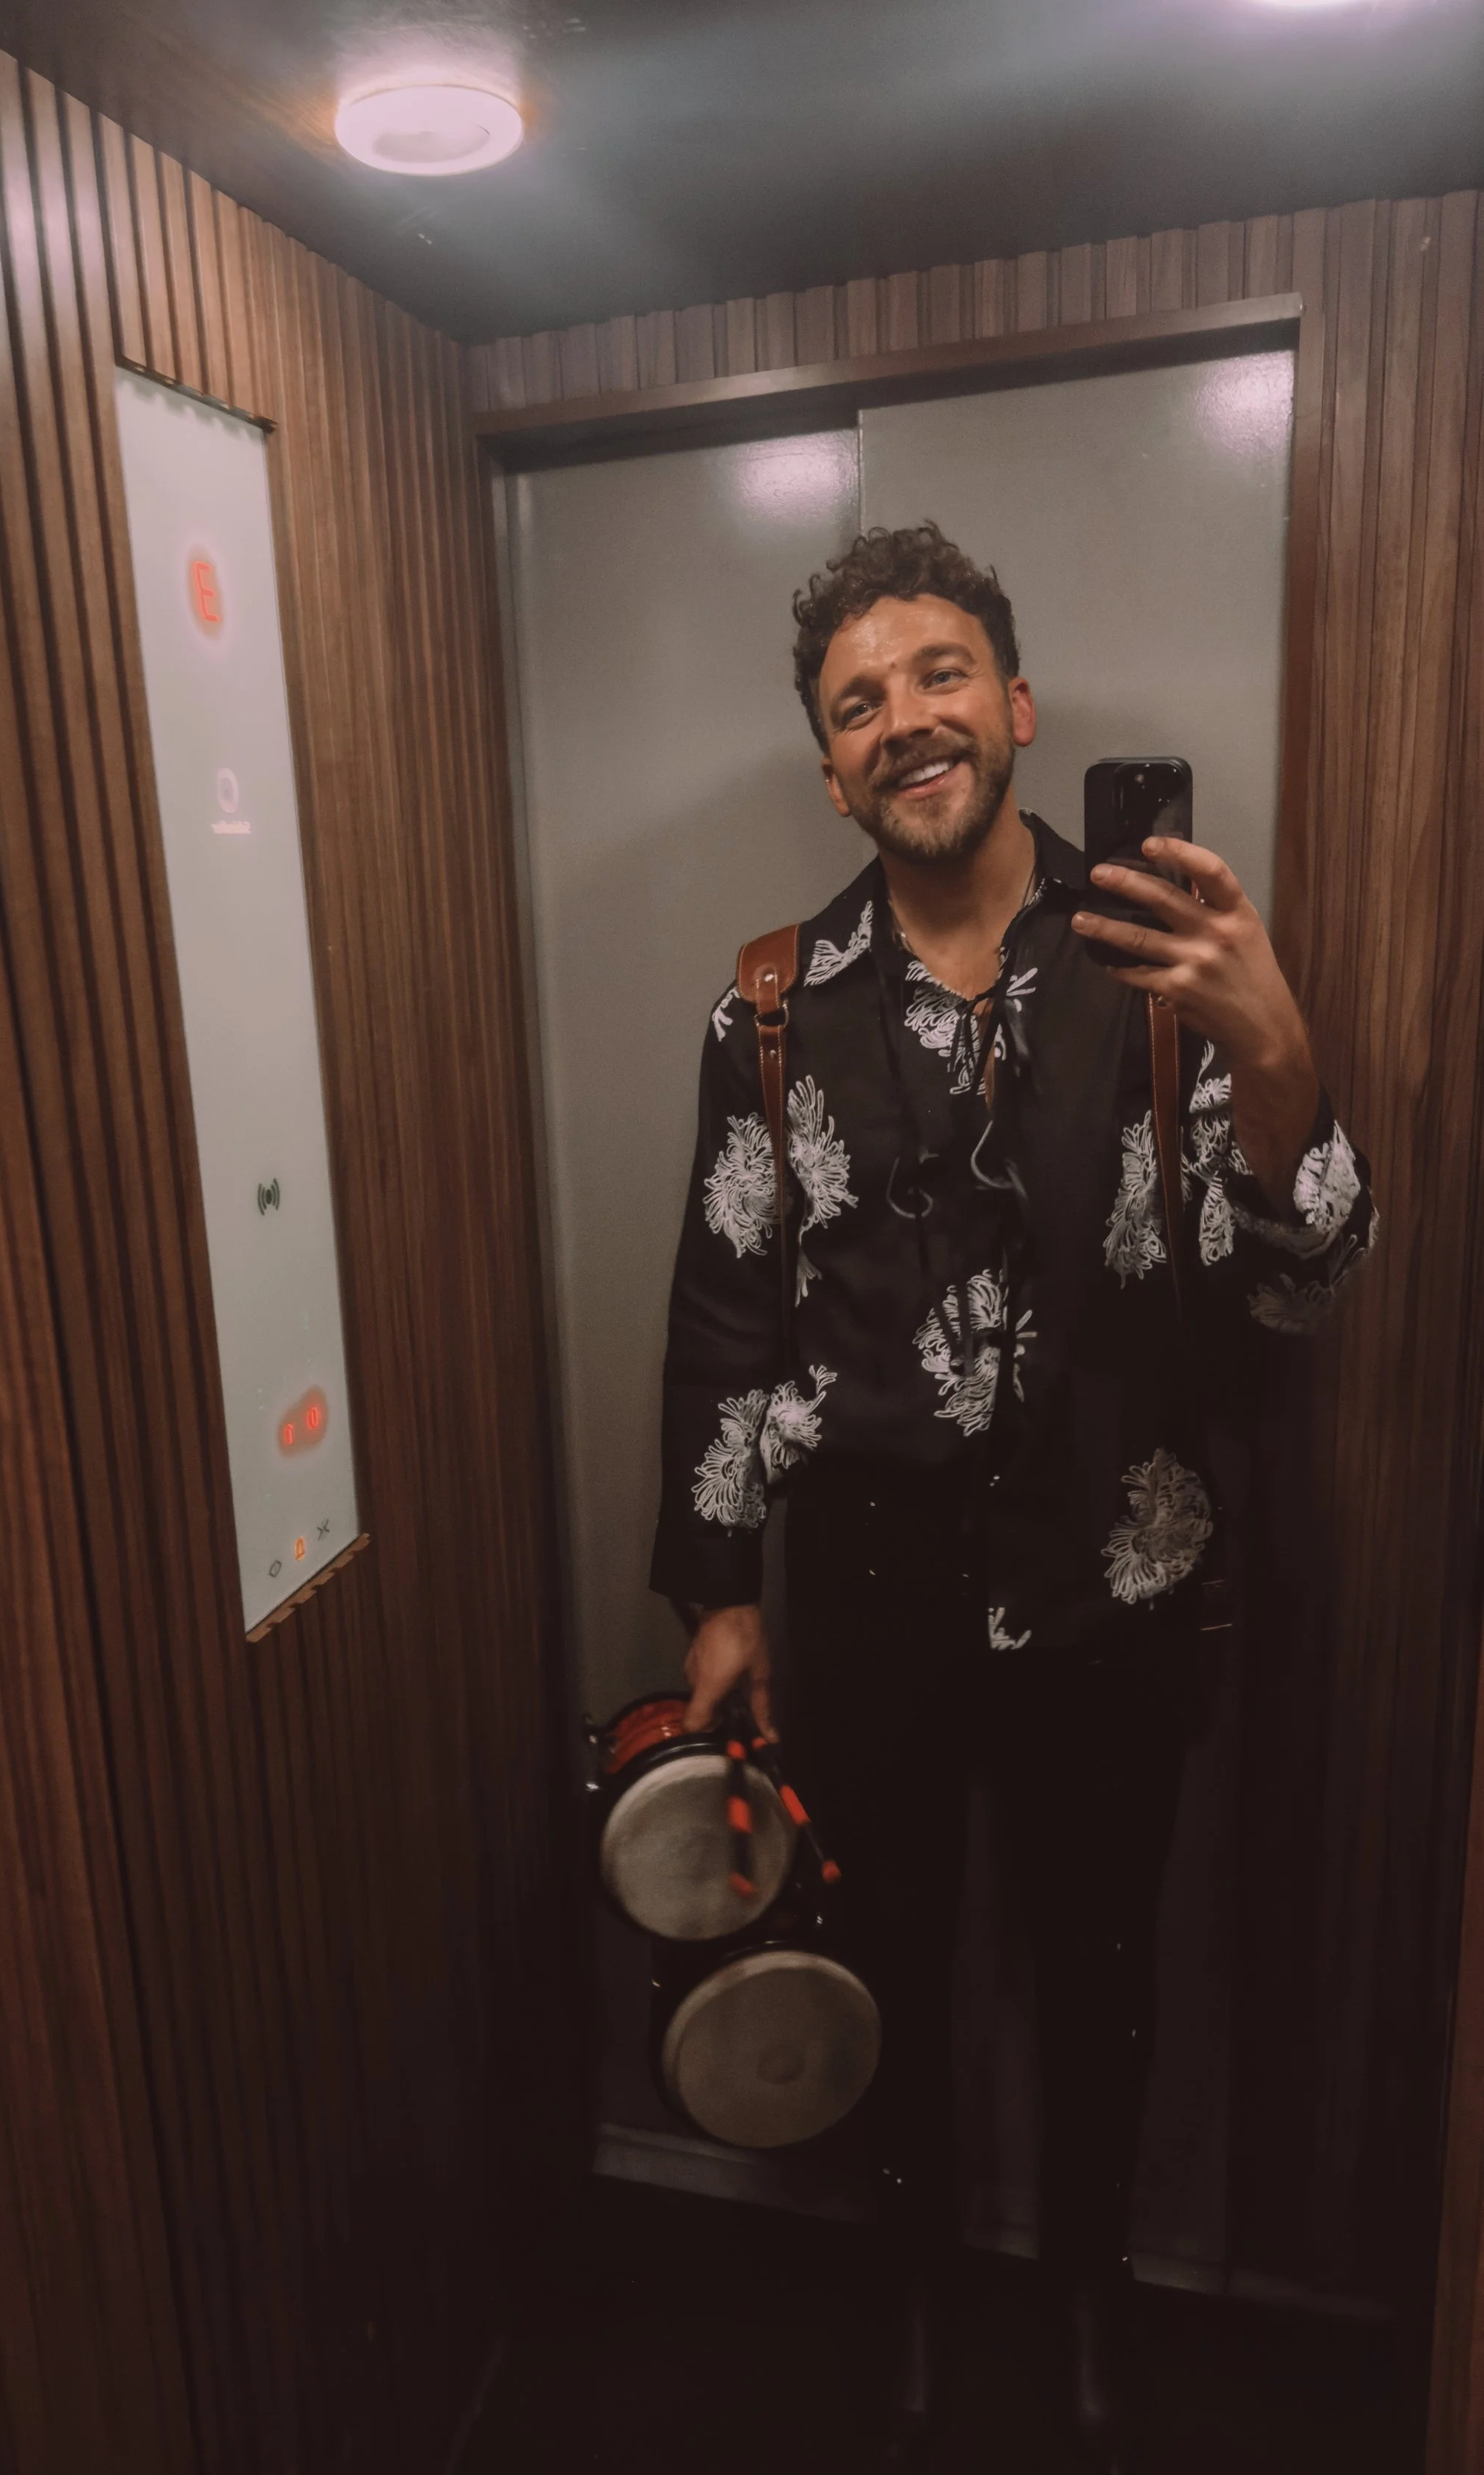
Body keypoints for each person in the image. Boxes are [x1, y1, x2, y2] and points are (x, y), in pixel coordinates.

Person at [649, 524, 1375, 2472]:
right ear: (827, 765)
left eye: (939, 673)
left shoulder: (1157, 967)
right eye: (857, 700)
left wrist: (1281, 1051)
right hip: (865, 1588)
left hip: (1110, 1575)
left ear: (1017, 708)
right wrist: (715, 1591)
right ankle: (900, 2287)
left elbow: (1292, 1287)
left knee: (1100, 1972)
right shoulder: (769, 1009)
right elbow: (722, 1306)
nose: (905, 717)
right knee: (881, 1952)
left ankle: (1088, 2297)